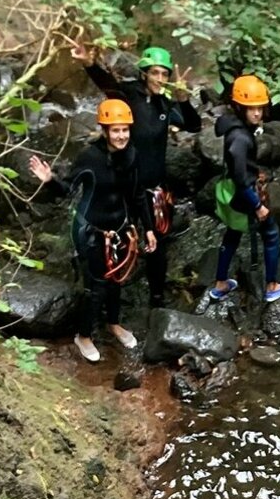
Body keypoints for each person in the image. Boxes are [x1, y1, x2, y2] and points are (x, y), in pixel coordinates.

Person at [27, 99, 158, 362]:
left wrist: (149, 228)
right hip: (91, 229)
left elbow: (138, 196)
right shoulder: (90, 158)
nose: (121, 136)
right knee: (97, 285)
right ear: (105, 130)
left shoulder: (131, 155)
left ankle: (113, 324)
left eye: (125, 130)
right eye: (115, 130)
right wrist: (50, 180)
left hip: (120, 227)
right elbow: (69, 191)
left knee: (117, 279)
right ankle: (83, 335)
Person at [81, 45, 201, 308]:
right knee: (117, 238)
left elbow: (193, 125)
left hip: (155, 188)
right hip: (125, 185)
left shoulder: (164, 104)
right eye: (155, 72)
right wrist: (90, 64)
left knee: (158, 246)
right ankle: (108, 297)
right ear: (144, 73)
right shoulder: (129, 95)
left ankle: (156, 298)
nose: (160, 78)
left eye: (164, 74)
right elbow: (108, 85)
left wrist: (183, 99)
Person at [210, 75, 280, 304]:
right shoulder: (240, 138)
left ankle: (220, 283)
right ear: (240, 108)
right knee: (271, 234)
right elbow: (241, 179)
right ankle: (272, 285)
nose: (257, 113)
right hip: (244, 195)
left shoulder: (233, 127)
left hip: (232, 191)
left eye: (260, 108)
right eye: (251, 109)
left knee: (232, 234)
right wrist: (258, 205)